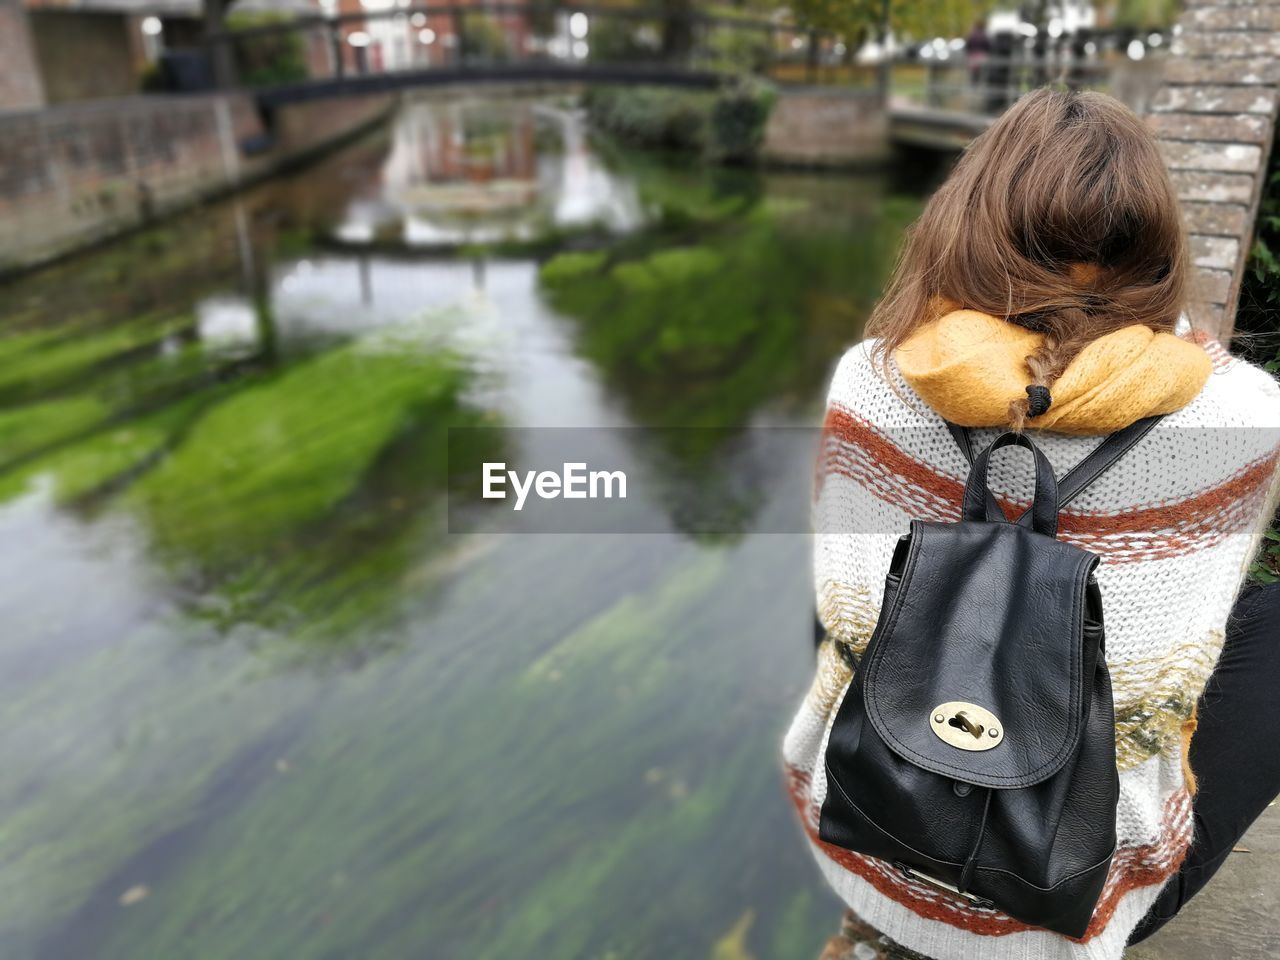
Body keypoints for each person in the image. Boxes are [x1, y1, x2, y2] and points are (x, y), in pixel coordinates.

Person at [783, 88, 1280, 960]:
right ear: (1153, 245)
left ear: (961, 224)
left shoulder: (867, 380)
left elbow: (846, 612)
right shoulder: (1243, 417)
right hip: (1065, 891)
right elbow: (1174, 668)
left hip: (865, 827)